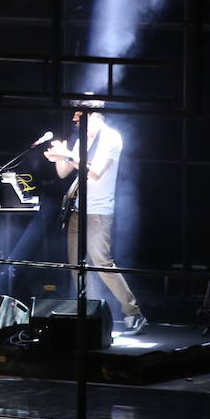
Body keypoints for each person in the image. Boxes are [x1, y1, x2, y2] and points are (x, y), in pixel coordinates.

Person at [43, 100, 146, 334]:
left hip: (99, 212)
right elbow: (63, 173)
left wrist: (67, 155)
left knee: (102, 263)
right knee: (76, 266)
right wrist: (59, 156)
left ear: (95, 115)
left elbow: (96, 172)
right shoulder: (82, 139)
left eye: (79, 115)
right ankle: (90, 313)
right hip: (78, 210)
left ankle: (134, 313)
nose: (74, 120)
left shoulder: (111, 138)